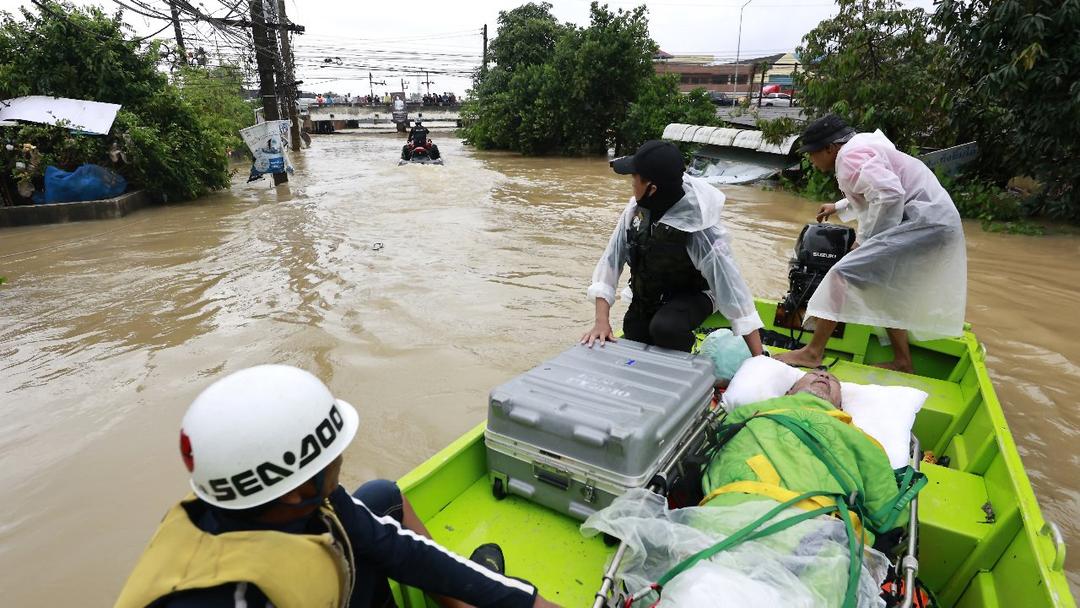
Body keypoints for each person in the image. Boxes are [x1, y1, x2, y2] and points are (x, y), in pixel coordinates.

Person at [115, 365, 561, 608]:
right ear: (294, 489)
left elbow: (403, 549)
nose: (342, 459)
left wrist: (525, 601)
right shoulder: (231, 599)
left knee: (383, 497)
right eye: (332, 456)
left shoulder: (287, 502)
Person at [776, 115, 967, 373]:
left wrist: (865, 242)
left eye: (812, 153)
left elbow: (889, 194)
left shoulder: (848, 158)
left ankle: (812, 353)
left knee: (841, 274)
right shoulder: (861, 147)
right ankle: (902, 362)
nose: (811, 159)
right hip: (935, 221)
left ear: (830, 148)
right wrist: (840, 205)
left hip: (924, 223)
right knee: (885, 286)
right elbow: (878, 188)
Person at [582, 140, 764, 354]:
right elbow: (610, 262)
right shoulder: (635, 211)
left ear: (652, 188)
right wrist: (601, 322)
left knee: (666, 328)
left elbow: (732, 286)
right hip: (652, 292)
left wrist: (758, 358)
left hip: (695, 294)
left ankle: (690, 361)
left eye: (635, 177)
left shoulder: (700, 227)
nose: (631, 181)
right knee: (634, 329)